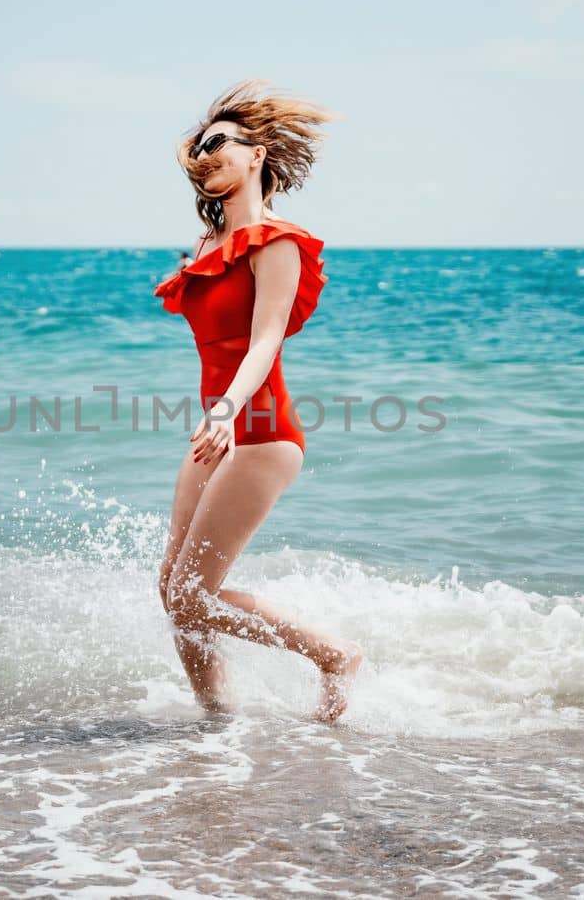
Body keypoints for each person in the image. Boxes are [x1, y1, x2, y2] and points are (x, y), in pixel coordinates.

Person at [151, 80, 363, 722]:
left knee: (192, 593)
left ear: (256, 151)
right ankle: (215, 724)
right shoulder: (208, 248)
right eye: (196, 149)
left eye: (217, 142)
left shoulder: (278, 242)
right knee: (174, 592)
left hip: (262, 432)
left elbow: (265, 337)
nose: (203, 155)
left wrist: (225, 410)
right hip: (216, 431)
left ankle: (335, 655)